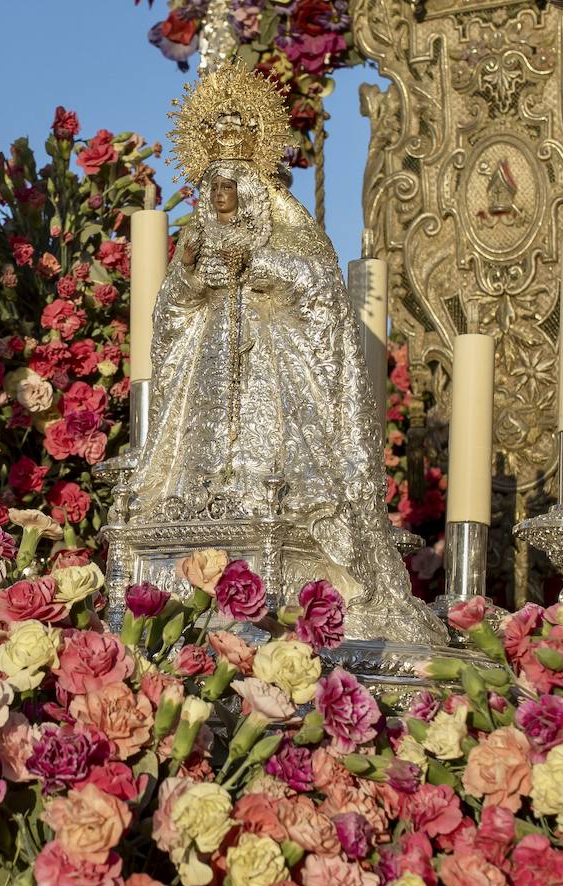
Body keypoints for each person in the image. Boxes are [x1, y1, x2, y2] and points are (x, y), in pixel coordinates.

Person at [129, 66, 446, 646]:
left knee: (271, 463)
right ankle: (188, 524)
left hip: (272, 380)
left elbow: (318, 284)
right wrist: (197, 278)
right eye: (214, 182)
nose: (222, 193)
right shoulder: (199, 232)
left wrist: (259, 267)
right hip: (205, 377)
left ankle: (283, 532)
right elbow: (170, 310)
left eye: (233, 180)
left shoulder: (284, 220)